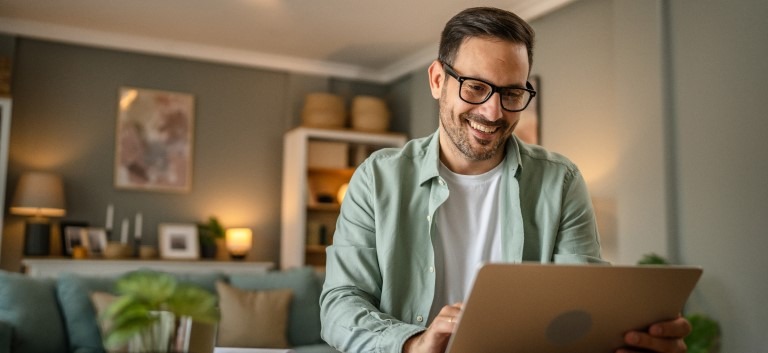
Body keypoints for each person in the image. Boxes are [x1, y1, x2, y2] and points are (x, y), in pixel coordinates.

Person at [319, 7, 691, 353]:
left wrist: (627, 339)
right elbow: (340, 303)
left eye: (512, 92)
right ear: (437, 80)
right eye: (476, 87)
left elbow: (578, 312)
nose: (493, 111)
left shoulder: (561, 182)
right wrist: (414, 343)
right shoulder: (377, 177)